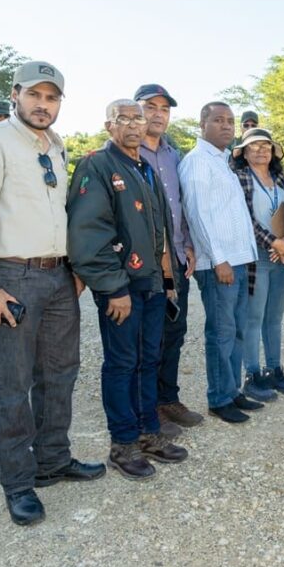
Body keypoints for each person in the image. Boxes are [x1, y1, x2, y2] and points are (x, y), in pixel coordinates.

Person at [0, 61, 105, 526]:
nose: (43, 105)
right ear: (16, 94)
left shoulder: (55, 147)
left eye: (52, 97)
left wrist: (74, 272)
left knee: (61, 374)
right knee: (12, 384)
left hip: (58, 277)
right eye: (35, 95)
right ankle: (18, 483)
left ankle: (53, 461)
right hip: (10, 278)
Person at [68, 99, 188, 480]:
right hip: (121, 287)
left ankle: (149, 433)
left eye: (139, 118)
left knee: (148, 359)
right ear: (109, 125)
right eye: (125, 118)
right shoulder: (97, 165)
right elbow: (89, 234)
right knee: (122, 363)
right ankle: (123, 444)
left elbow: (159, 230)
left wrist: (167, 278)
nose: (134, 125)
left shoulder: (144, 168)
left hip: (152, 283)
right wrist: (112, 287)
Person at [179, 102, 263, 423]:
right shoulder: (198, 162)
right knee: (222, 332)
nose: (226, 126)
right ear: (202, 124)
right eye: (218, 120)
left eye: (230, 121)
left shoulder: (223, 162)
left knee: (238, 330)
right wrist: (219, 260)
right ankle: (218, 398)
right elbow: (199, 215)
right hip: (220, 265)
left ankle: (232, 391)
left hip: (239, 260)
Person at [135, 83, 203, 435]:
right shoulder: (123, 154)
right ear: (136, 111)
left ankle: (167, 399)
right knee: (148, 338)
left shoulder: (174, 155)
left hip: (177, 260)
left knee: (175, 331)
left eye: (164, 108)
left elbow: (183, 206)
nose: (158, 114)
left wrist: (188, 245)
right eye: (150, 106)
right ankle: (146, 410)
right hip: (144, 264)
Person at [230, 127, 284, 401]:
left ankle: (274, 370)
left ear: (273, 152)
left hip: (283, 257)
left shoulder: (281, 179)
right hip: (256, 257)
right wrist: (273, 242)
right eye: (254, 146)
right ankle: (252, 375)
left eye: (266, 146)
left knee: (274, 318)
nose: (260, 150)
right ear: (244, 153)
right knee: (253, 318)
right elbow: (244, 218)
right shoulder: (239, 178)